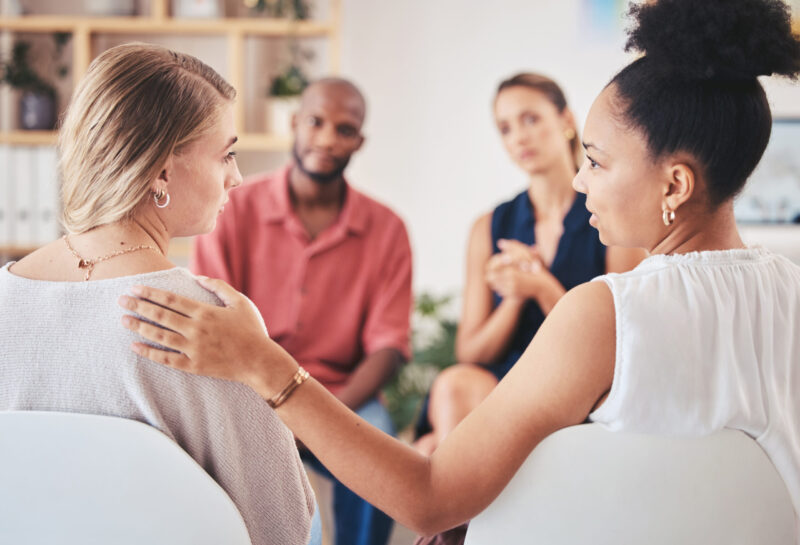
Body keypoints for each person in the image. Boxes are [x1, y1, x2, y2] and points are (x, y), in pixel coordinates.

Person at [120, 0, 800, 539]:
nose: (584, 181)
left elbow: (430, 498)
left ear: (675, 184)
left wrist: (262, 363)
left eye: (595, 160)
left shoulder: (608, 311)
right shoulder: (791, 290)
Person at [0, 43, 317, 545]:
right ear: (162, 171)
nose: (236, 177)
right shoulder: (207, 323)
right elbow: (286, 526)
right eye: (226, 154)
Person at [190, 77, 412, 545]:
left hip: (344, 394)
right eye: (316, 122)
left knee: (379, 448)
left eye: (345, 129)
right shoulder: (231, 209)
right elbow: (216, 322)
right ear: (294, 123)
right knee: (286, 512)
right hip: (251, 389)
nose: (328, 138)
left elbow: (388, 346)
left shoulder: (387, 229)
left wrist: (321, 417)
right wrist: (281, 404)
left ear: (360, 141)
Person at [413, 73, 644, 455]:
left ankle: (449, 488)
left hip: (578, 383)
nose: (518, 137)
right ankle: (459, 500)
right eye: (505, 128)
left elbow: (619, 340)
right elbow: (471, 353)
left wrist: (540, 285)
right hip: (506, 380)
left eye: (530, 119)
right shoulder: (489, 226)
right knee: (455, 384)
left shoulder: (611, 214)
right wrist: (516, 296)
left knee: (431, 449)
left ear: (567, 121)